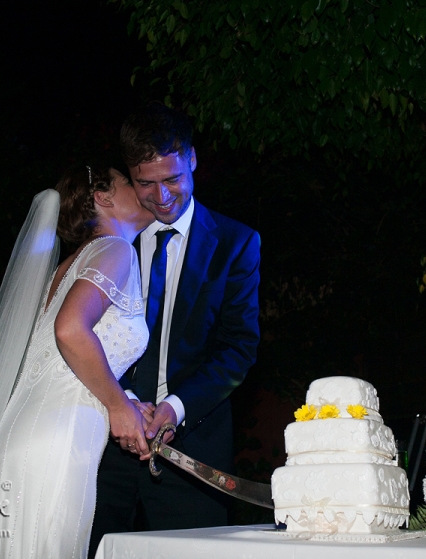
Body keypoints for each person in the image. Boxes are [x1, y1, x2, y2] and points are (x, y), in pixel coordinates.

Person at [0, 164, 155, 559]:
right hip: (56, 439)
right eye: (127, 183)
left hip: (22, 432)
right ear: (103, 197)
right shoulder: (115, 249)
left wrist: (123, 401)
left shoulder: (68, 265)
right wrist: (118, 406)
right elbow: (70, 331)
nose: (141, 190)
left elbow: (59, 363)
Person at [90, 104, 260, 555]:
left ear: (193, 161)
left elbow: (238, 349)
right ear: (129, 176)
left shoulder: (237, 242)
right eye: (146, 183)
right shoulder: (109, 239)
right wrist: (120, 403)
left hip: (192, 451)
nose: (162, 196)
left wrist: (173, 409)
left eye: (172, 179)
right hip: (99, 448)